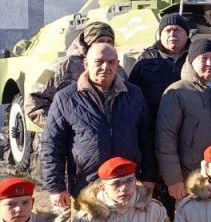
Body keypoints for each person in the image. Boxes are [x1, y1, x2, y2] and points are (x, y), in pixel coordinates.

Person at [41, 42, 155, 210]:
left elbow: (147, 139)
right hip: (86, 188)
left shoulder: (134, 94)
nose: (105, 67)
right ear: (86, 64)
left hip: (127, 187)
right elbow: (52, 145)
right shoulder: (66, 99)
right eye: (99, 62)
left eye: (111, 62)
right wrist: (55, 187)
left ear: (117, 64)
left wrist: (148, 177)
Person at [156, 37, 211, 219]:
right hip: (191, 179)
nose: (209, 63)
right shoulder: (177, 92)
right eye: (203, 59)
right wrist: (173, 179)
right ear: (192, 61)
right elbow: (165, 138)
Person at [25, 21, 116, 127]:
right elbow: (33, 98)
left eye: (109, 42)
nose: (105, 45)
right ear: (88, 42)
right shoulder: (60, 65)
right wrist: (58, 126)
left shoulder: (116, 68)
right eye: (100, 41)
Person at [128, 13, 191, 129]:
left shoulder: (196, 58)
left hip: (187, 125)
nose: (172, 34)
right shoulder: (145, 59)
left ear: (187, 35)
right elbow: (132, 92)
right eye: (167, 30)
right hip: (151, 125)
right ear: (160, 35)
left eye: (177, 30)